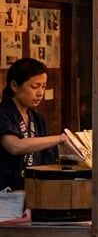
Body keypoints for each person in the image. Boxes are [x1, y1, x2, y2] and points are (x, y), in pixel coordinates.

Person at [0, 57, 61, 191]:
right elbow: (15, 146)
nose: (40, 93)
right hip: (5, 193)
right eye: (35, 86)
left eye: (43, 86)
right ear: (14, 86)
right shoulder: (3, 114)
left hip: (32, 192)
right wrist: (60, 138)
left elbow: (48, 159)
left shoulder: (37, 118)